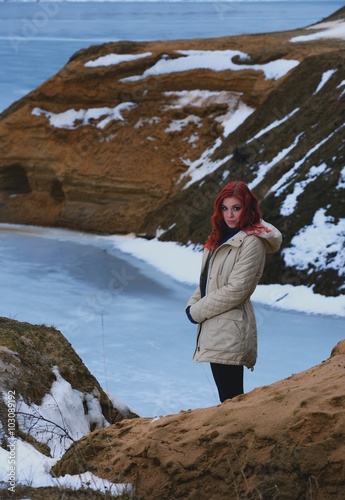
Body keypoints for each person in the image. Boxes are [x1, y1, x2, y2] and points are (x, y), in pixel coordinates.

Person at [185, 181, 282, 403]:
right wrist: (191, 305)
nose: (230, 215)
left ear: (247, 209)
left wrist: (197, 311)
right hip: (214, 327)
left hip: (231, 328)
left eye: (236, 208)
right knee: (227, 400)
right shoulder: (218, 237)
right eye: (225, 208)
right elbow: (207, 280)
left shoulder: (252, 242)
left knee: (232, 400)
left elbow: (237, 290)